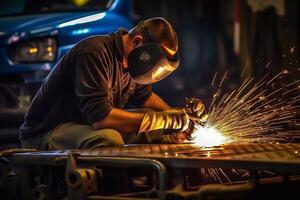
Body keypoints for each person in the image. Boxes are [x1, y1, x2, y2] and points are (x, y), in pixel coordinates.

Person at [19, 17, 205, 150]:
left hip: (84, 125)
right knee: (109, 138)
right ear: (138, 42)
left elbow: (146, 98)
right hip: (48, 131)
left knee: (155, 121)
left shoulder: (131, 64)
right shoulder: (93, 52)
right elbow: (101, 119)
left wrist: (180, 117)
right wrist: (165, 119)